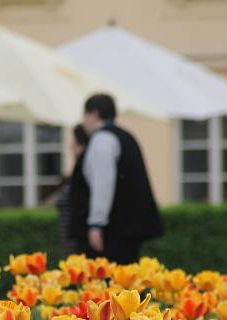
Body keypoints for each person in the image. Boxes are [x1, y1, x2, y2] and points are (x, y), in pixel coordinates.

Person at [69, 93, 163, 264]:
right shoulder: (126, 136)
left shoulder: (102, 140)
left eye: (85, 116)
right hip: (128, 227)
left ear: (94, 114)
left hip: (113, 230)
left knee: (110, 282)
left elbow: (103, 184)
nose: (84, 122)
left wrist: (96, 225)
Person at [56, 124, 89, 257]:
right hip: (72, 240)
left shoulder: (85, 170)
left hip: (76, 242)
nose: (71, 148)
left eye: (74, 144)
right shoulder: (80, 170)